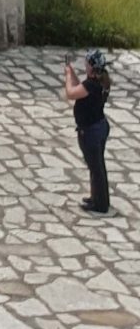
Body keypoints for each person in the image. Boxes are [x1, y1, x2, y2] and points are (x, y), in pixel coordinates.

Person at [64, 50, 112, 215]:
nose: (85, 65)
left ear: (92, 67)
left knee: (96, 168)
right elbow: (80, 88)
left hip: (91, 132)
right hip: (100, 127)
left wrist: (68, 75)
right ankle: (97, 197)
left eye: (87, 63)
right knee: (97, 166)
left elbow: (71, 93)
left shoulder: (91, 85)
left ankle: (100, 204)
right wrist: (73, 75)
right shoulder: (100, 82)